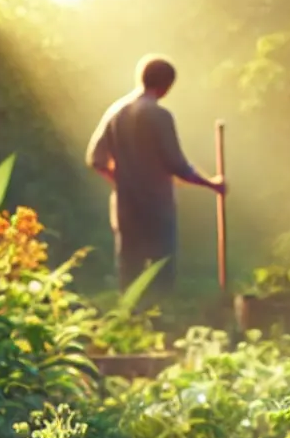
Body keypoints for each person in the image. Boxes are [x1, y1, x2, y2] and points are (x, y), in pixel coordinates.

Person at [86, 55, 226, 294]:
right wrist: (212, 184)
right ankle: (161, 322)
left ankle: (130, 322)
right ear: (166, 85)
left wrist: (121, 180)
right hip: (156, 204)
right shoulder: (158, 115)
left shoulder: (116, 112)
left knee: (129, 269)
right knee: (162, 267)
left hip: (125, 204)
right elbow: (176, 164)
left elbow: (95, 159)